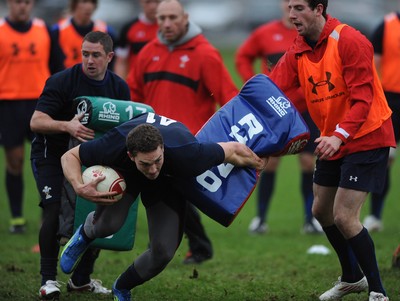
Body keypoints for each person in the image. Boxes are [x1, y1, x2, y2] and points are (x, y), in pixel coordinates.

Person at [59, 112, 267, 301]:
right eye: (146, 163)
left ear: (162, 149)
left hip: (169, 180)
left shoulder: (188, 153)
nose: (152, 169)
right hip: (127, 173)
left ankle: (121, 287)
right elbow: (69, 156)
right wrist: (78, 186)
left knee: (163, 252)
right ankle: (85, 234)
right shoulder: (114, 143)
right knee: (108, 225)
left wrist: (258, 163)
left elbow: (234, 149)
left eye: (157, 160)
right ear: (131, 155)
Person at [270, 0, 394, 300]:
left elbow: (363, 99)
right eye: (289, 8)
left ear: (319, 9)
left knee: (343, 216)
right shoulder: (299, 47)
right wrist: (236, 113)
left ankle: (378, 291)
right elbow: (272, 86)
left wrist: (339, 135)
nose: (291, 15)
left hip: (366, 135)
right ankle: (352, 277)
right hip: (333, 138)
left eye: (299, 8)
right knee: (319, 210)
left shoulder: (350, 40)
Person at [128, 0, 239, 264]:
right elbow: (134, 95)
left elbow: (229, 98)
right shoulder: (147, 53)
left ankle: (187, 245)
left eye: (172, 18)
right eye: (162, 18)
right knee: (170, 192)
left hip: (189, 141)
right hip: (152, 141)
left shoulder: (205, 54)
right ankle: (191, 246)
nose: (166, 24)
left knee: (175, 191)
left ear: (185, 18)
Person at [30, 31, 130, 300]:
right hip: (50, 154)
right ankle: (47, 280)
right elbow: (36, 121)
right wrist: (67, 125)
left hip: (91, 157)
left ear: (109, 57)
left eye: (96, 55)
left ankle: (81, 280)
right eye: (85, 54)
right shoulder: (63, 81)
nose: (89, 60)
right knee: (52, 210)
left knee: (100, 208)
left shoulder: (119, 88)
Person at [235, 0, 322, 235]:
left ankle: (310, 219)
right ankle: (260, 219)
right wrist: (254, 84)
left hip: (306, 110)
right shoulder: (265, 33)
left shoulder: (312, 34)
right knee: (270, 162)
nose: (290, 8)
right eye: (287, 2)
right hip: (274, 110)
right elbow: (242, 57)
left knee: (307, 162)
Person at [0, 0, 61, 234]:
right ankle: (17, 218)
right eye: (17, 2)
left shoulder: (44, 30)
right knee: (14, 161)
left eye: (26, 2)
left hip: (41, 104)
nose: (22, 7)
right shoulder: (2, 31)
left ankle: (48, 214)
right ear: (9, 4)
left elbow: (57, 67)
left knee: (45, 160)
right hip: (9, 104)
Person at [362, 10, 400, 233]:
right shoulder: (386, 25)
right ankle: (375, 215)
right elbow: (374, 63)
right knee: (386, 159)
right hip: (391, 101)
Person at [52, 0, 116, 69]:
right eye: (84, 1)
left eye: (92, 2)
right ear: (74, 4)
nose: (89, 6)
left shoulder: (106, 32)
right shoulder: (58, 31)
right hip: (68, 78)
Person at [113, 0, 159, 80]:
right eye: (148, 2)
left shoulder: (168, 29)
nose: (153, 6)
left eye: (157, 2)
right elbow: (121, 62)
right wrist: (121, 85)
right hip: (136, 83)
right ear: (141, 2)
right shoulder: (129, 28)